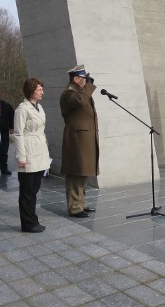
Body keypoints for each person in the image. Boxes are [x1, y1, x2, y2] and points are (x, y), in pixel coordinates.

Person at [60, 65, 99, 218]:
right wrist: (88, 86)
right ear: (76, 79)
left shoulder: (79, 93)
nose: (86, 81)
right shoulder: (68, 94)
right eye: (83, 79)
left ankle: (81, 203)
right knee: (76, 173)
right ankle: (74, 207)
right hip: (76, 141)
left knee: (83, 173)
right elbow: (80, 102)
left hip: (84, 140)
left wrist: (86, 86)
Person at [14, 78, 51, 233]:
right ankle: (28, 223)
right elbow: (18, 134)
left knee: (34, 189)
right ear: (31, 91)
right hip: (28, 151)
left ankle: (32, 219)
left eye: (42, 89)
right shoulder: (22, 109)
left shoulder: (39, 107)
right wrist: (21, 157)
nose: (42, 92)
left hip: (40, 151)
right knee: (27, 191)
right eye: (39, 89)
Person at [0, 88, 15, 176]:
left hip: (4, 131)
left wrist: (11, 127)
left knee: (4, 151)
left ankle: (4, 168)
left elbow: (12, 116)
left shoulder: (6, 105)